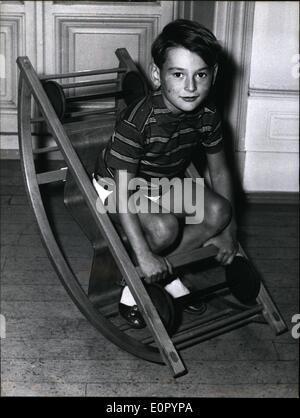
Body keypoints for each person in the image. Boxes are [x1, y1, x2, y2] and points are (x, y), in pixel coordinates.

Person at [94, 19, 239, 328]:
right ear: (158, 75)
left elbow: (220, 170)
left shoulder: (209, 113)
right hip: (117, 186)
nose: (190, 87)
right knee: (163, 229)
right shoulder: (139, 120)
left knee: (218, 211)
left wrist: (228, 231)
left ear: (214, 74)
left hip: (162, 183)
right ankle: (135, 281)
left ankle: (161, 272)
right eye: (178, 74)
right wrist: (144, 252)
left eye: (200, 74)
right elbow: (121, 192)